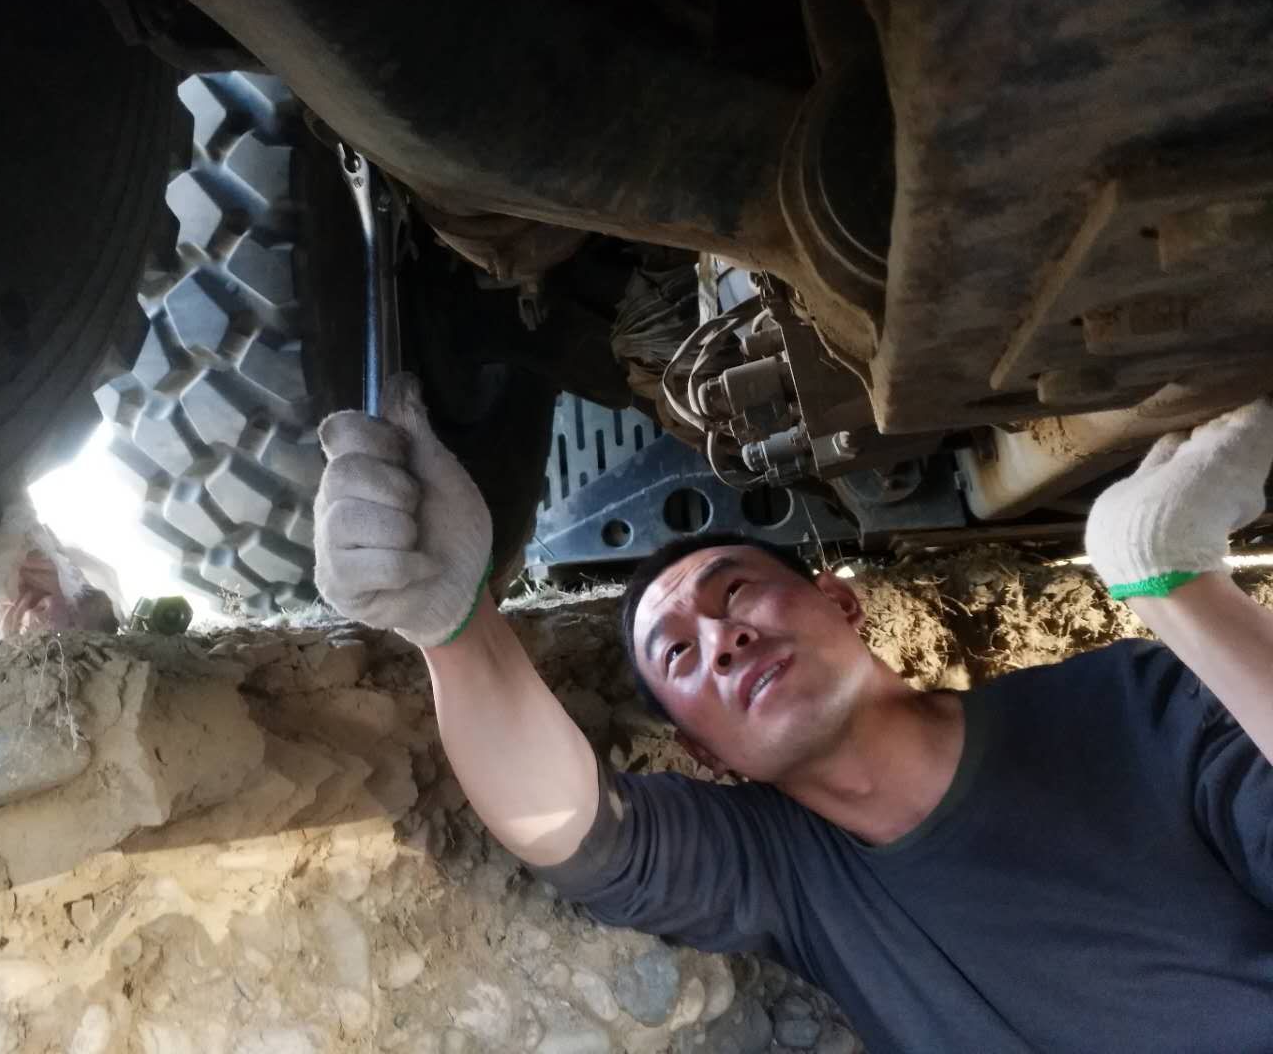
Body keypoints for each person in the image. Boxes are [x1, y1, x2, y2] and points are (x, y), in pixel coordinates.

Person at [312, 374, 1273, 1053]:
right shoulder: (789, 876)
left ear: (843, 603)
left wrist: (1176, 585)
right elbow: (577, 828)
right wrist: (453, 626)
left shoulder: (1136, 709)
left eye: (734, 592)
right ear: (705, 752)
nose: (720, 638)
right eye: (678, 654)